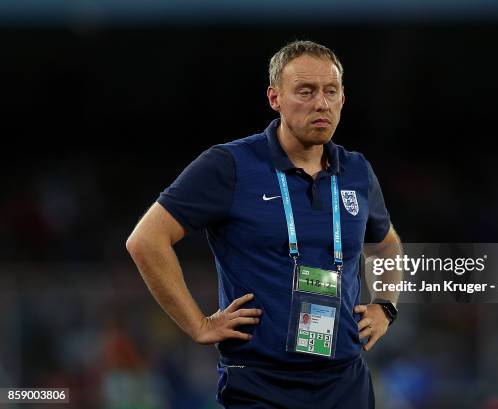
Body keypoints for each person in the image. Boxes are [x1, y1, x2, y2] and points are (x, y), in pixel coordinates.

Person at [126, 40, 402, 409]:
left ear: (342, 98)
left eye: (330, 91)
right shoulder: (229, 165)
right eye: (305, 91)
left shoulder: (356, 171)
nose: (321, 103)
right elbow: (146, 240)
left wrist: (385, 305)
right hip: (260, 383)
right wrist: (198, 324)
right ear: (275, 98)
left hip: (344, 380)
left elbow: (387, 245)